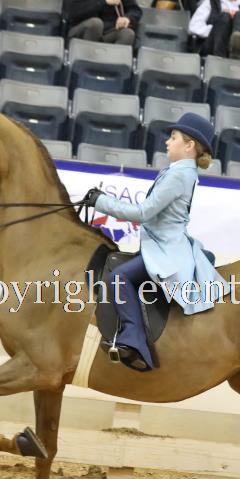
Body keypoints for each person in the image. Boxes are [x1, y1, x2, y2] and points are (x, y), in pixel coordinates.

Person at [81, 113, 226, 372]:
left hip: (167, 250)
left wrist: (101, 202)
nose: (167, 142)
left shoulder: (179, 175)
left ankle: (133, 339)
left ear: (189, 145)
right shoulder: (179, 171)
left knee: (119, 278)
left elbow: (143, 212)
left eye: (173, 137)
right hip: (161, 244)